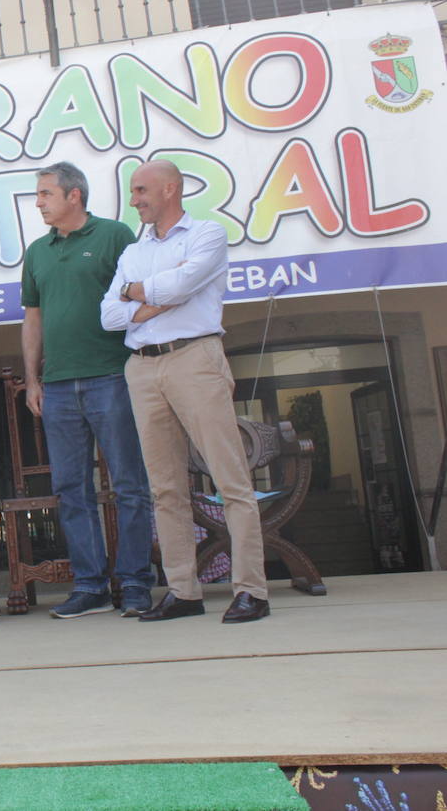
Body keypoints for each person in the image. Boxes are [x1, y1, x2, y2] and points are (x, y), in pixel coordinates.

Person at [101, 160, 270, 623]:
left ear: (170, 189)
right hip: (141, 366)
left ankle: (251, 591)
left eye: (141, 190)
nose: (134, 200)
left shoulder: (206, 234)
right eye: (133, 191)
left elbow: (183, 285)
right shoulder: (134, 251)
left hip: (195, 358)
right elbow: (108, 316)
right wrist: (152, 297)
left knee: (230, 479)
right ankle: (183, 592)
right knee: (165, 488)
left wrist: (137, 294)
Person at [22, 162, 156, 620]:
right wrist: (33, 379)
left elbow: (137, 298)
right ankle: (90, 586)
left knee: (129, 484)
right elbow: (33, 319)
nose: (38, 202)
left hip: (112, 376)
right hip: (57, 386)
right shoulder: (37, 252)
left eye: (45, 194)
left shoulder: (115, 235)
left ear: (73, 195)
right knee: (70, 489)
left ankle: (135, 583)